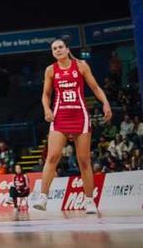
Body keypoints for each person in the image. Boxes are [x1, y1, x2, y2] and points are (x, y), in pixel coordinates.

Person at [31, 37, 112, 213]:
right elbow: (46, 95)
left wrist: (105, 103)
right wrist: (46, 109)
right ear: (53, 53)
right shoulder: (50, 70)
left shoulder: (81, 66)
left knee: (84, 160)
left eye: (61, 47)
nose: (58, 50)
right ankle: (43, 197)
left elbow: (96, 88)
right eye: (54, 48)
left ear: (67, 49)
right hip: (60, 116)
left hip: (80, 115)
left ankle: (89, 201)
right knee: (52, 157)